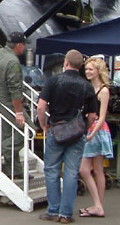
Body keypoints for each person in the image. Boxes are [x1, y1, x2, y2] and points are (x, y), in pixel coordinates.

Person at [37, 49, 97, 223]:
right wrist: (84, 129)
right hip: (76, 133)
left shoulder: (54, 81)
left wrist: (43, 125)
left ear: (66, 62)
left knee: (52, 171)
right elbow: (92, 115)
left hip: (56, 129)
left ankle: (53, 211)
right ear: (80, 66)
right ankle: (66, 214)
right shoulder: (86, 85)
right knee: (71, 173)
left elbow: (41, 107)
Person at [0, 31, 27, 178]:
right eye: (24, 45)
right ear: (19, 45)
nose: (25, 48)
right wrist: (19, 112)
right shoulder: (13, 62)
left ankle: (15, 170)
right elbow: (15, 90)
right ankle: (0, 150)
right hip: (8, 101)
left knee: (7, 133)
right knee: (26, 130)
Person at [78, 57, 114, 218]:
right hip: (91, 129)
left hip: (97, 131)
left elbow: (102, 116)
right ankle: (98, 204)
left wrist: (91, 133)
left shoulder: (104, 91)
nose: (88, 72)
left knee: (88, 169)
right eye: (86, 69)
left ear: (98, 70)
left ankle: (98, 205)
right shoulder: (88, 89)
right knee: (96, 169)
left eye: (91, 69)